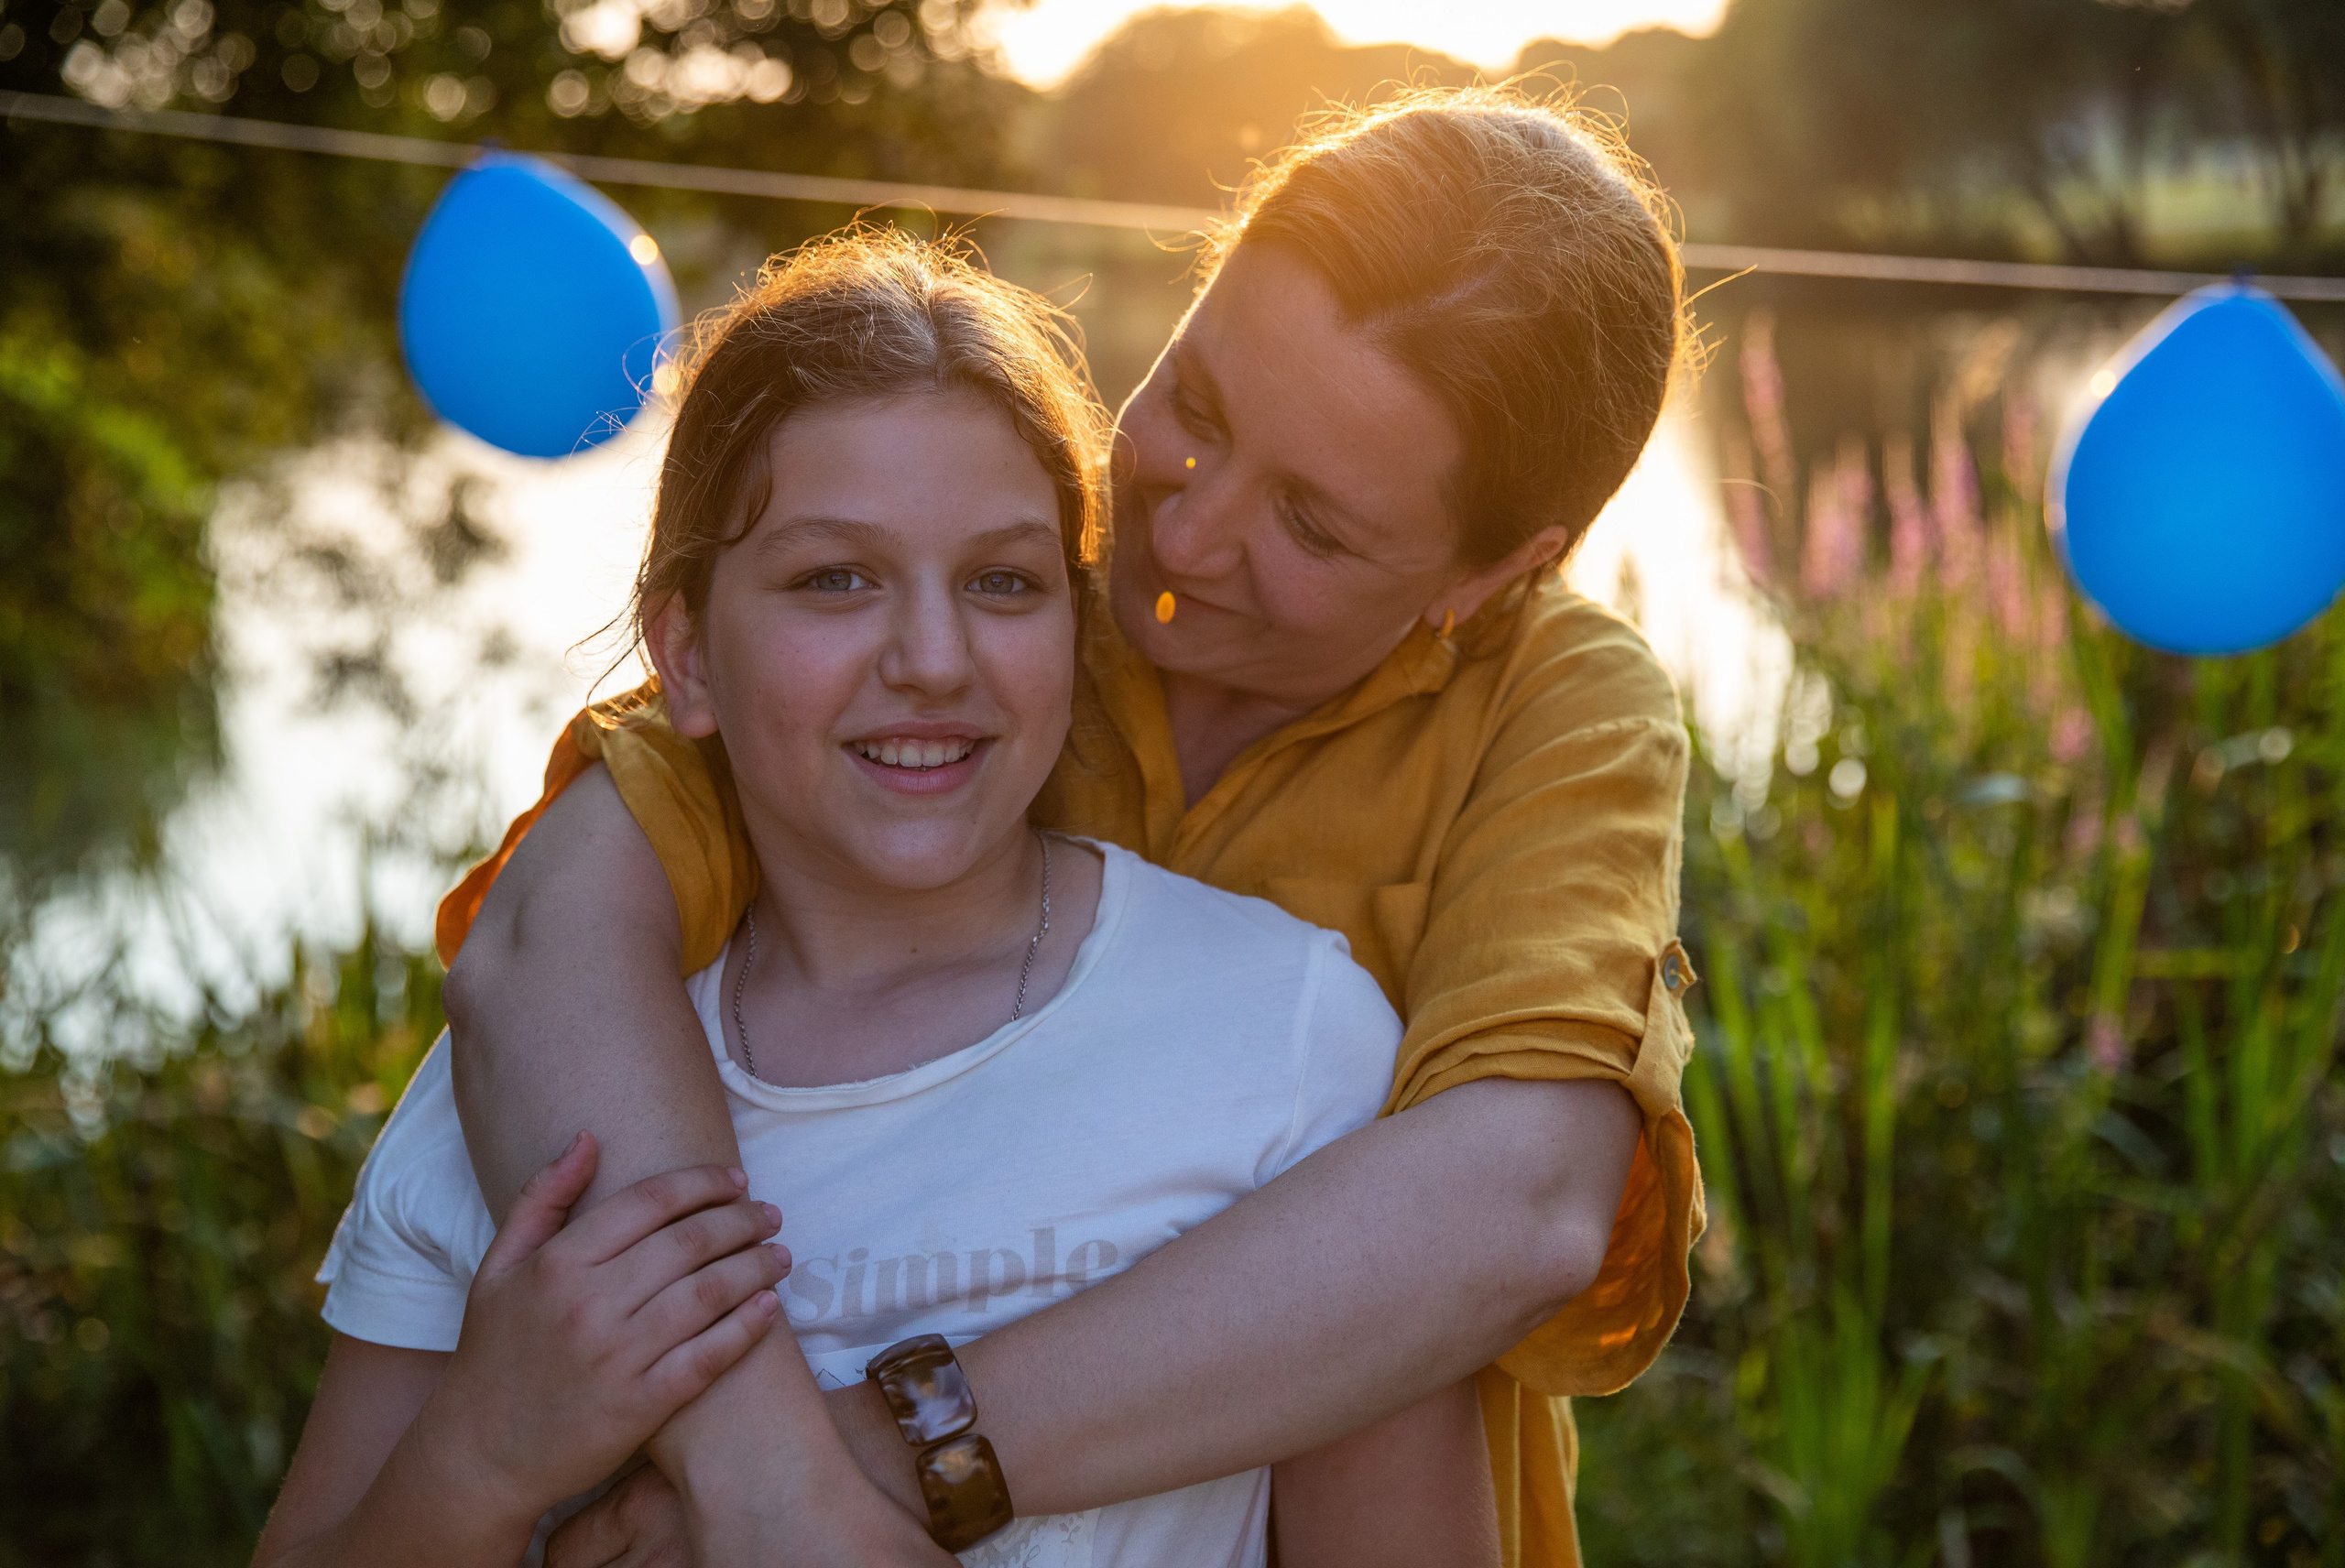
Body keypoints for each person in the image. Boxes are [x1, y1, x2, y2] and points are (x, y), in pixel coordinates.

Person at [442, 86, 1700, 1568]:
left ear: (1496, 573)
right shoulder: (992, 569)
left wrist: (874, 1460)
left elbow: (1528, 1201)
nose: (1184, 531)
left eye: (1313, 524)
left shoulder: (1564, 706)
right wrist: (766, 1484)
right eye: (1198, 407)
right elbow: (550, 938)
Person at [256, 230, 1498, 1568]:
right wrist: (483, 1458)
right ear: (688, 655)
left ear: (1077, 634)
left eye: (1003, 583)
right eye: (834, 579)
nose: (931, 659)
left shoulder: (1289, 1043)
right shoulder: (523, 1094)